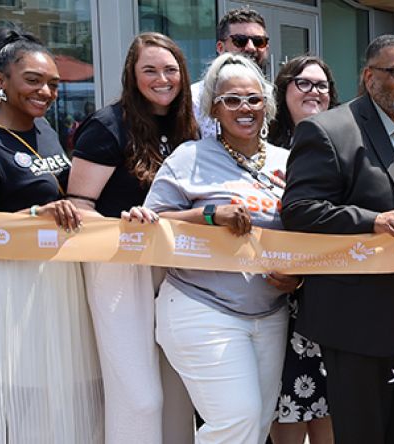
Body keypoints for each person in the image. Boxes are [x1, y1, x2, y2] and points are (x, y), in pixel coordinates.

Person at [282, 34, 394, 444]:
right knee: (364, 433)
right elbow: (298, 209)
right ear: (369, 77)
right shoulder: (330, 130)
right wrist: (371, 220)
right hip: (361, 317)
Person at [0, 27, 98, 443]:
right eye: (33, 80)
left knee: (57, 397)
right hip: (4, 285)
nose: (46, 91)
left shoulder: (47, 133)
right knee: (16, 398)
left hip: (54, 280)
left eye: (53, 83)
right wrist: (35, 214)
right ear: (2, 81)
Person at [141, 53, 293, 444]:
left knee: (257, 426)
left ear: (267, 105)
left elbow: (305, 229)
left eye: (254, 99)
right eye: (232, 100)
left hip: (270, 313)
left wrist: (301, 274)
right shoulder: (189, 158)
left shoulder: (287, 162)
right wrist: (211, 214)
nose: (245, 109)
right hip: (201, 306)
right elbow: (148, 223)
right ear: (213, 107)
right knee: (236, 421)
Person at [65, 32, 199, 444]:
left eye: (170, 70)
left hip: (175, 266)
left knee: (178, 391)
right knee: (138, 397)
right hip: (118, 269)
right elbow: (79, 207)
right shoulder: (106, 127)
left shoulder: (186, 126)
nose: (163, 79)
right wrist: (121, 227)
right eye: (150, 71)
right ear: (132, 75)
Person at [264, 54, 339, 444]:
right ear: (283, 90)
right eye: (303, 83)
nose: (314, 92)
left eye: (322, 84)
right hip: (277, 298)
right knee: (287, 402)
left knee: (328, 404)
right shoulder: (262, 148)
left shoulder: (345, 139)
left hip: (330, 293)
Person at [194, 7, 270, 139]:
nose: (251, 47)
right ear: (220, 48)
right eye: (240, 40)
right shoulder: (195, 99)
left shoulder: (273, 95)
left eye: (259, 41)